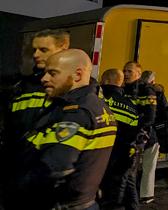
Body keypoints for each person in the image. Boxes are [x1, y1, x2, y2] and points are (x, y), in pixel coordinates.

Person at [18, 49, 117, 210]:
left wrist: (17, 185)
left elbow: (55, 167)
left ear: (77, 75)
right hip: (86, 201)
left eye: (53, 73)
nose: (44, 78)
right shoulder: (97, 105)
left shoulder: (76, 112)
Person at [3, 29, 71, 208]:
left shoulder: (76, 90)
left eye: (43, 50)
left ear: (63, 48)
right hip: (16, 183)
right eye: (34, 50)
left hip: (51, 191)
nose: (35, 55)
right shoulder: (21, 86)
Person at [99, 68, 141, 210]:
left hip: (97, 158)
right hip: (119, 160)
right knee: (114, 200)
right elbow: (132, 136)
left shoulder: (95, 99)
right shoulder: (131, 107)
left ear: (104, 80)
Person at [123, 62, 157, 205]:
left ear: (138, 73)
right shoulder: (123, 89)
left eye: (129, 71)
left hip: (143, 137)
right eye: (124, 71)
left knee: (137, 170)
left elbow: (149, 117)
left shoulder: (147, 91)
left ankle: (144, 196)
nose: (125, 74)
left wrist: (136, 133)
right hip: (127, 137)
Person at [139, 70, 167, 203]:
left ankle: (129, 192)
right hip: (152, 134)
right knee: (149, 167)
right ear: (153, 81)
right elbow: (164, 112)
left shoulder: (134, 90)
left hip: (135, 135)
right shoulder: (158, 93)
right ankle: (146, 195)